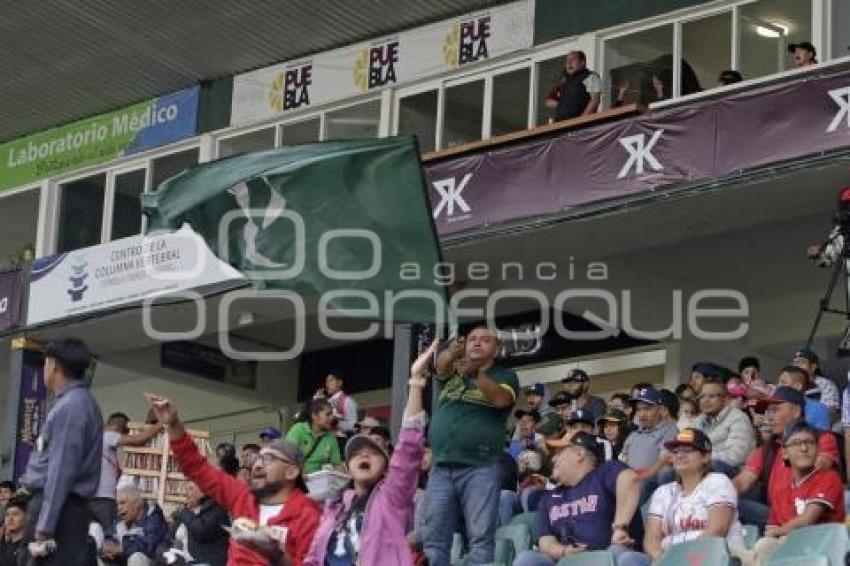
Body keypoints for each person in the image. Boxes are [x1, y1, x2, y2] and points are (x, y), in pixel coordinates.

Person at [148, 395, 321, 566]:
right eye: (258, 458)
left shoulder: (309, 515)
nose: (258, 465)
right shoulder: (242, 496)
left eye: (269, 459)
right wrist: (172, 424)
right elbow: (196, 467)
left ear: (291, 472)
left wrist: (274, 554)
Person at [304, 340, 435, 566]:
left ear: (386, 466)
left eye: (373, 453)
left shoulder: (392, 497)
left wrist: (415, 383)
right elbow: (313, 557)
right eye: (356, 454)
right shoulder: (334, 507)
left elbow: (408, 450)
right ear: (346, 468)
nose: (364, 455)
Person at [422, 326, 520, 566]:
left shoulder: (505, 376)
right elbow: (441, 366)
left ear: (495, 350)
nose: (476, 343)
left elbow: (501, 399)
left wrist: (476, 374)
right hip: (441, 467)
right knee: (434, 538)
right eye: (472, 339)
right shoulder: (454, 374)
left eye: (485, 340)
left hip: (481, 466)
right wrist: (450, 352)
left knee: (480, 537)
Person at [23, 338, 103, 565]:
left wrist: (46, 524)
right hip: (63, 507)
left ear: (54, 366)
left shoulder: (72, 406)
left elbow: (61, 470)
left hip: (61, 509)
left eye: (45, 363)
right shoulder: (77, 402)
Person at [513, 431, 648, 566]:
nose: (553, 459)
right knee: (527, 559)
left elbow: (630, 480)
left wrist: (620, 527)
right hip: (568, 560)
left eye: (559, 453)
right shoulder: (548, 497)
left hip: (608, 556)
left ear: (579, 454)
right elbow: (545, 540)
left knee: (618, 552)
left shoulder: (604, 472)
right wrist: (563, 551)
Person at [733, 387, 839, 531]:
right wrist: (716, 493)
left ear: (796, 411)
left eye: (775, 410)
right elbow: (742, 481)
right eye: (768, 412)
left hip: (807, 513)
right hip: (776, 514)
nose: (769, 417)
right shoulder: (767, 450)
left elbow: (818, 469)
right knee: (725, 501)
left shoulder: (822, 438)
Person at [742, 422, 845, 566]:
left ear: (818, 449)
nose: (804, 448)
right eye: (796, 443)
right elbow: (771, 530)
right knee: (759, 548)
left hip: (822, 547)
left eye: (809, 443)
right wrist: (774, 535)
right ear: (784, 453)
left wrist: (779, 532)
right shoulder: (781, 491)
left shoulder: (828, 477)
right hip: (792, 550)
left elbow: (807, 520)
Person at [645, 428, 745, 562]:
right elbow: (652, 539)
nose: (680, 455)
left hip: (714, 558)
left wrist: (683, 560)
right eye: (675, 452)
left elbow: (716, 531)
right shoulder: (663, 492)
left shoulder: (718, 482)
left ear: (706, 457)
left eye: (687, 451)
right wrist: (661, 560)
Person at [93, 413, 161, 534]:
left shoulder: (98, 442)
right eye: (125, 434)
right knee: (110, 535)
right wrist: (161, 424)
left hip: (95, 497)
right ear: (117, 429)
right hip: (103, 499)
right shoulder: (108, 436)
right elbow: (138, 440)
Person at [696, 378, 755, 476]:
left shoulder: (738, 417)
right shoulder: (698, 421)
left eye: (711, 396)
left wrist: (701, 458)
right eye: (702, 396)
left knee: (714, 466)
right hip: (701, 466)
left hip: (735, 472)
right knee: (669, 472)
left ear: (725, 400)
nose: (705, 400)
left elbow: (735, 456)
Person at [100, 485, 168, 566]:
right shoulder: (120, 518)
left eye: (123, 503)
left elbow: (149, 545)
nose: (119, 508)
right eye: (117, 504)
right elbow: (109, 535)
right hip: (123, 560)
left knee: (137, 558)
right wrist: (107, 546)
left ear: (136, 503)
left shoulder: (154, 518)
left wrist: (121, 549)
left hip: (154, 561)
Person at [619, 387, 677, 478]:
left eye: (647, 409)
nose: (642, 414)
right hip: (630, 483)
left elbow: (663, 460)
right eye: (638, 409)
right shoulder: (633, 435)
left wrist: (640, 478)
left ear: (662, 410)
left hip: (653, 484)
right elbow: (622, 460)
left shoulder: (670, 429)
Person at [173, 483, 230, 566]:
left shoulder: (216, 508)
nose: (186, 492)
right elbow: (172, 535)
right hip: (189, 557)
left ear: (202, 491)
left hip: (206, 561)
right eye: (187, 488)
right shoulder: (188, 511)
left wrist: (183, 513)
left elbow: (200, 531)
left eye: (191, 488)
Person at [285, 399, 342, 475]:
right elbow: (287, 456)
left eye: (332, 414)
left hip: (318, 481)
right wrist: (300, 475)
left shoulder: (330, 437)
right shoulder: (298, 429)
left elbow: (337, 464)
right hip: (296, 478)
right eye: (327, 414)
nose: (331, 418)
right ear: (314, 416)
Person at [544, 50, 602, 121]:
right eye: (567, 61)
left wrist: (581, 120)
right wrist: (562, 104)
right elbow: (548, 101)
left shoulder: (590, 77)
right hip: (561, 125)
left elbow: (595, 100)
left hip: (580, 127)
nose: (569, 63)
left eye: (573, 59)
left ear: (582, 62)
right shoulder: (563, 81)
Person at [777, 365, 831, 430]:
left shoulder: (817, 409)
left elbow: (823, 436)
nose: (778, 386)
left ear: (797, 386)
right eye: (779, 382)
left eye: (783, 382)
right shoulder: (773, 402)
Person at [792, 348, 839, 420]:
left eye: (802, 362)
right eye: (795, 362)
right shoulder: (789, 385)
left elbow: (830, 414)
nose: (797, 366)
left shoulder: (826, 384)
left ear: (813, 367)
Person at [315, 372, 358, 438]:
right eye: (326, 382)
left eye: (331, 380)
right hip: (325, 439)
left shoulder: (348, 401)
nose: (327, 384)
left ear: (339, 382)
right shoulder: (326, 401)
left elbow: (354, 426)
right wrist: (316, 402)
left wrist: (336, 422)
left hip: (340, 440)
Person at [0, 497, 27, 566]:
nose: (10, 519)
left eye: (15, 514)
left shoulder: (28, 548)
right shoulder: (3, 546)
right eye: (7, 515)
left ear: (26, 517)